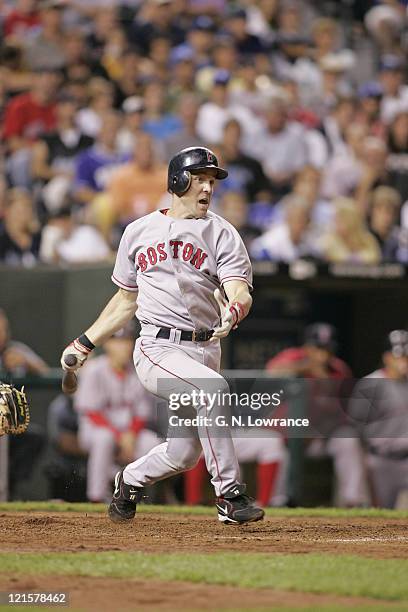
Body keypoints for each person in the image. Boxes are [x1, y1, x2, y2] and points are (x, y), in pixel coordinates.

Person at [61, 146, 264, 525]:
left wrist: (235, 306)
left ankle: (128, 481)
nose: (207, 188)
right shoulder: (138, 231)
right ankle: (230, 497)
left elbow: (239, 288)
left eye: (211, 181)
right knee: (214, 390)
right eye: (199, 178)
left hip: (205, 348)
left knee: (183, 453)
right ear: (178, 181)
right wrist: (85, 342)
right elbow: (125, 300)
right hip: (157, 346)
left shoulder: (223, 232)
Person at [266, 323, 369, 507]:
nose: (323, 353)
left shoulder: (338, 369)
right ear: (307, 346)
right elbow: (272, 371)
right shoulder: (294, 356)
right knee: (278, 452)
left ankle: (354, 500)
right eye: (318, 347)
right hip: (289, 437)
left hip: (322, 435)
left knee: (348, 440)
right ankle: (279, 501)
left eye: (327, 348)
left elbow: (342, 409)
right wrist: (306, 367)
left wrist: (323, 377)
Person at [73, 322, 161, 502]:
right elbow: (92, 413)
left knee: (151, 442)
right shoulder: (94, 370)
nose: (123, 346)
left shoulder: (138, 371)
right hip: (96, 430)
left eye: (127, 341)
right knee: (104, 438)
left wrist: (131, 436)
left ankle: (139, 496)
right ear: (107, 344)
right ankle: (96, 497)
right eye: (117, 341)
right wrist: (120, 437)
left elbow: (142, 413)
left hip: (129, 433)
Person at [349, 330, 408, 508]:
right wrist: (362, 464)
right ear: (387, 358)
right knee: (379, 516)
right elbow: (354, 428)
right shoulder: (370, 384)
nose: (404, 362)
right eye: (400, 357)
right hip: (380, 461)